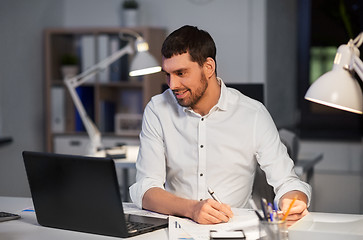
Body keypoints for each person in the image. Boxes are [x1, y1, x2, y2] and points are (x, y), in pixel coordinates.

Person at [130, 25, 311, 226]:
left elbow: (288, 182)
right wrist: (192, 209)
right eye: (168, 74)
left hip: (233, 230)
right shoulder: (157, 110)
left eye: (181, 73)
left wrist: (293, 200)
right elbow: (146, 189)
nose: (172, 85)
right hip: (175, 228)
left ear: (208, 67)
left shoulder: (253, 114)